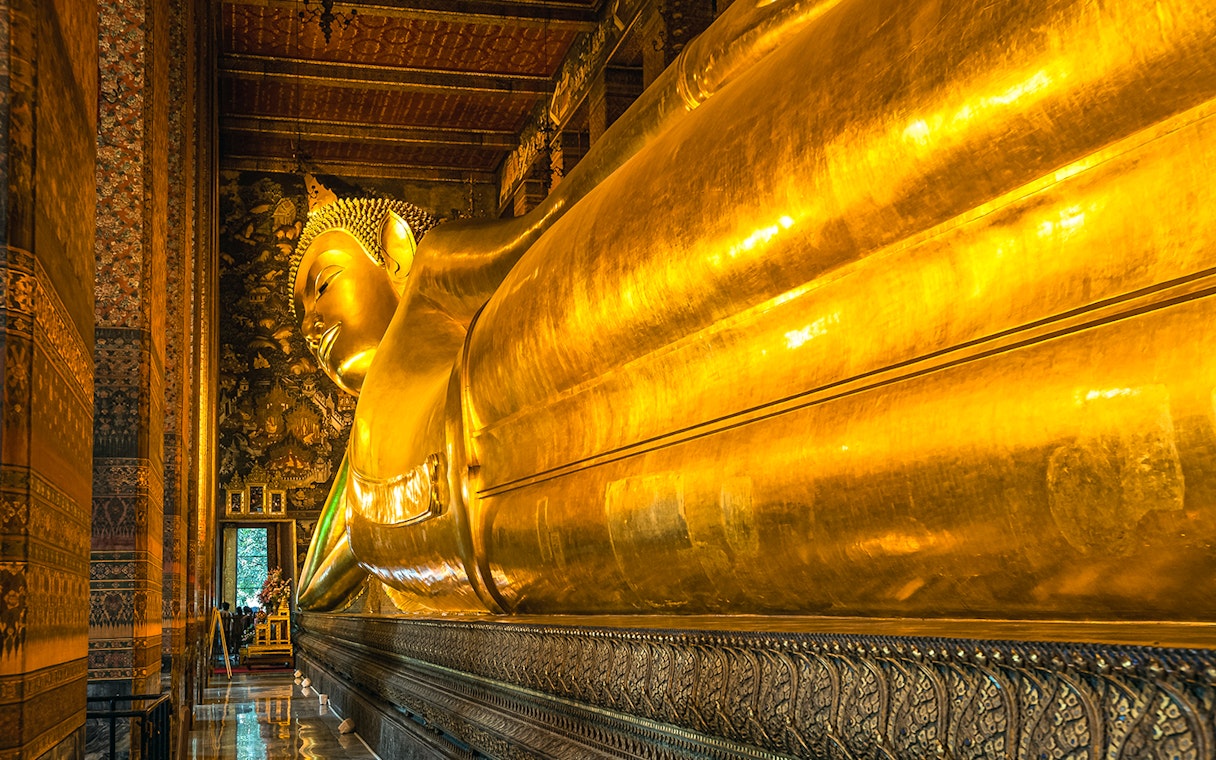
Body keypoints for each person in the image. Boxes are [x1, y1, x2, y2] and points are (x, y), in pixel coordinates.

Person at [293, 0, 1216, 622]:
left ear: (397, 251)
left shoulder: (450, 279)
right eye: (301, 325)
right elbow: (321, 570)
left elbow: (568, 207)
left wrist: (718, 59)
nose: (317, 328)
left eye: (321, 283)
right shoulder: (365, 453)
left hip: (527, 355)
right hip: (528, 513)